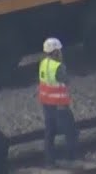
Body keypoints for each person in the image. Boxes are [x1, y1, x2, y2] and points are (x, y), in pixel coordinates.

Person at [38, 38, 78, 166]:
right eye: (59, 50)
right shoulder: (58, 66)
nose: (61, 52)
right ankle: (71, 158)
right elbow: (66, 80)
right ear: (55, 51)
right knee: (71, 131)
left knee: (49, 133)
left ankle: (49, 161)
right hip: (60, 105)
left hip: (46, 104)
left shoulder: (43, 63)